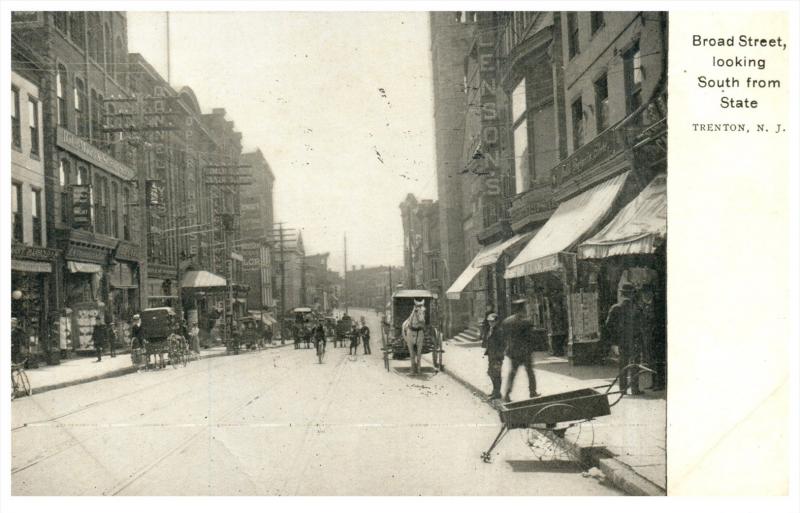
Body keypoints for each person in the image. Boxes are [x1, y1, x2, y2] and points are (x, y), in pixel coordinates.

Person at [604, 283, 644, 395]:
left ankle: (623, 389)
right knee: (635, 365)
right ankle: (635, 389)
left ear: (621, 294)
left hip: (621, 342)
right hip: (635, 341)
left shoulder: (615, 308)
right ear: (632, 294)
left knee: (623, 365)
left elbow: (608, 325)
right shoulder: (637, 308)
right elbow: (642, 326)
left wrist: (614, 341)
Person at [501, 298, 538, 402]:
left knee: (512, 373)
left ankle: (507, 394)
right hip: (525, 351)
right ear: (523, 308)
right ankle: (532, 392)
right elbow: (531, 337)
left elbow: (504, 337)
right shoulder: (527, 322)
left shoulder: (507, 321)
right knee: (530, 372)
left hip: (513, 352)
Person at [483, 313, 504, 399]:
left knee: (496, 374)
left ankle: (497, 393)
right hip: (491, 355)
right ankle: (494, 391)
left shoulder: (499, 331)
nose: (490, 323)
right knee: (491, 373)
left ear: (496, 321)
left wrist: (499, 355)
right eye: (489, 321)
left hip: (497, 356)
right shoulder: (491, 329)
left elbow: (502, 344)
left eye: (492, 321)